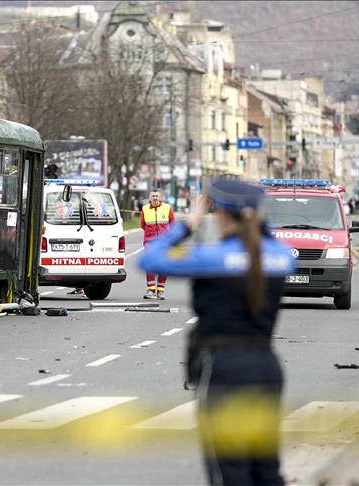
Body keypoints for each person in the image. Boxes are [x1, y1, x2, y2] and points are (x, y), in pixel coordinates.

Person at [139, 180, 295, 486]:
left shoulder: (210, 258)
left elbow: (149, 259)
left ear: (220, 214)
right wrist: (257, 218)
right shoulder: (281, 257)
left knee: (229, 472)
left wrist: (190, 221)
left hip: (224, 371)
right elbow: (273, 243)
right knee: (266, 470)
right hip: (267, 369)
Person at [140, 189, 175, 299]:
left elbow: (173, 224)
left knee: (163, 265)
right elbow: (143, 225)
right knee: (149, 264)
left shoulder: (167, 208)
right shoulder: (145, 209)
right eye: (153, 196)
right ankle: (151, 290)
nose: (155, 198)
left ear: (160, 197)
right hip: (149, 241)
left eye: (157, 196)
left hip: (164, 242)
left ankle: (160, 291)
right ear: (150, 198)